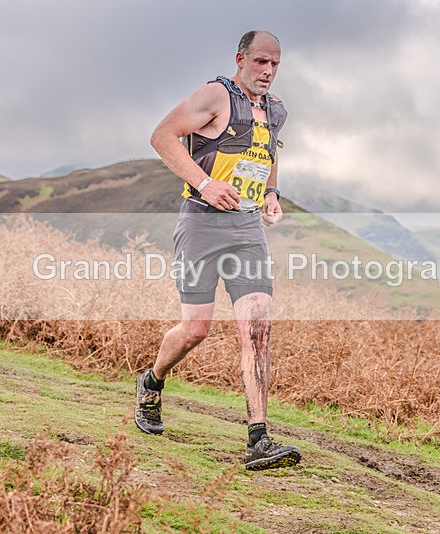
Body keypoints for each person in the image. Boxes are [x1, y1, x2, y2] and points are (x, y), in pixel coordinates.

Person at [135, 30, 301, 471]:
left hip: (246, 230)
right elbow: (162, 136)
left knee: (257, 329)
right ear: (241, 59)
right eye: (261, 62)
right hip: (201, 226)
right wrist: (206, 183)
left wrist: (271, 193)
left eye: (275, 64)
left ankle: (258, 440)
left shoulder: (276, 110)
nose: (268, 71)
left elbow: (267, 153)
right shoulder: (215, 95)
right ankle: (152, 382)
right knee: (196, 330)